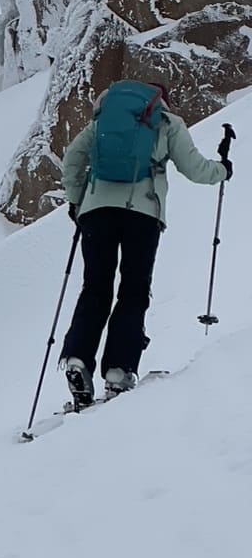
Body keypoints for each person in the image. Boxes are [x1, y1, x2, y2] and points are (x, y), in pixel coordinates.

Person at [59, 80, 232, 407]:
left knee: (95, 288)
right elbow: (194, 169)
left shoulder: (101, 122)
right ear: (161, 100)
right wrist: (222, 170)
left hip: (96, 211)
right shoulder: (167, 123)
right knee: (134, 290)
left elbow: (72, 160)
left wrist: (76, 201)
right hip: (143, 213)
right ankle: (118, 370)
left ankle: (77, 360)